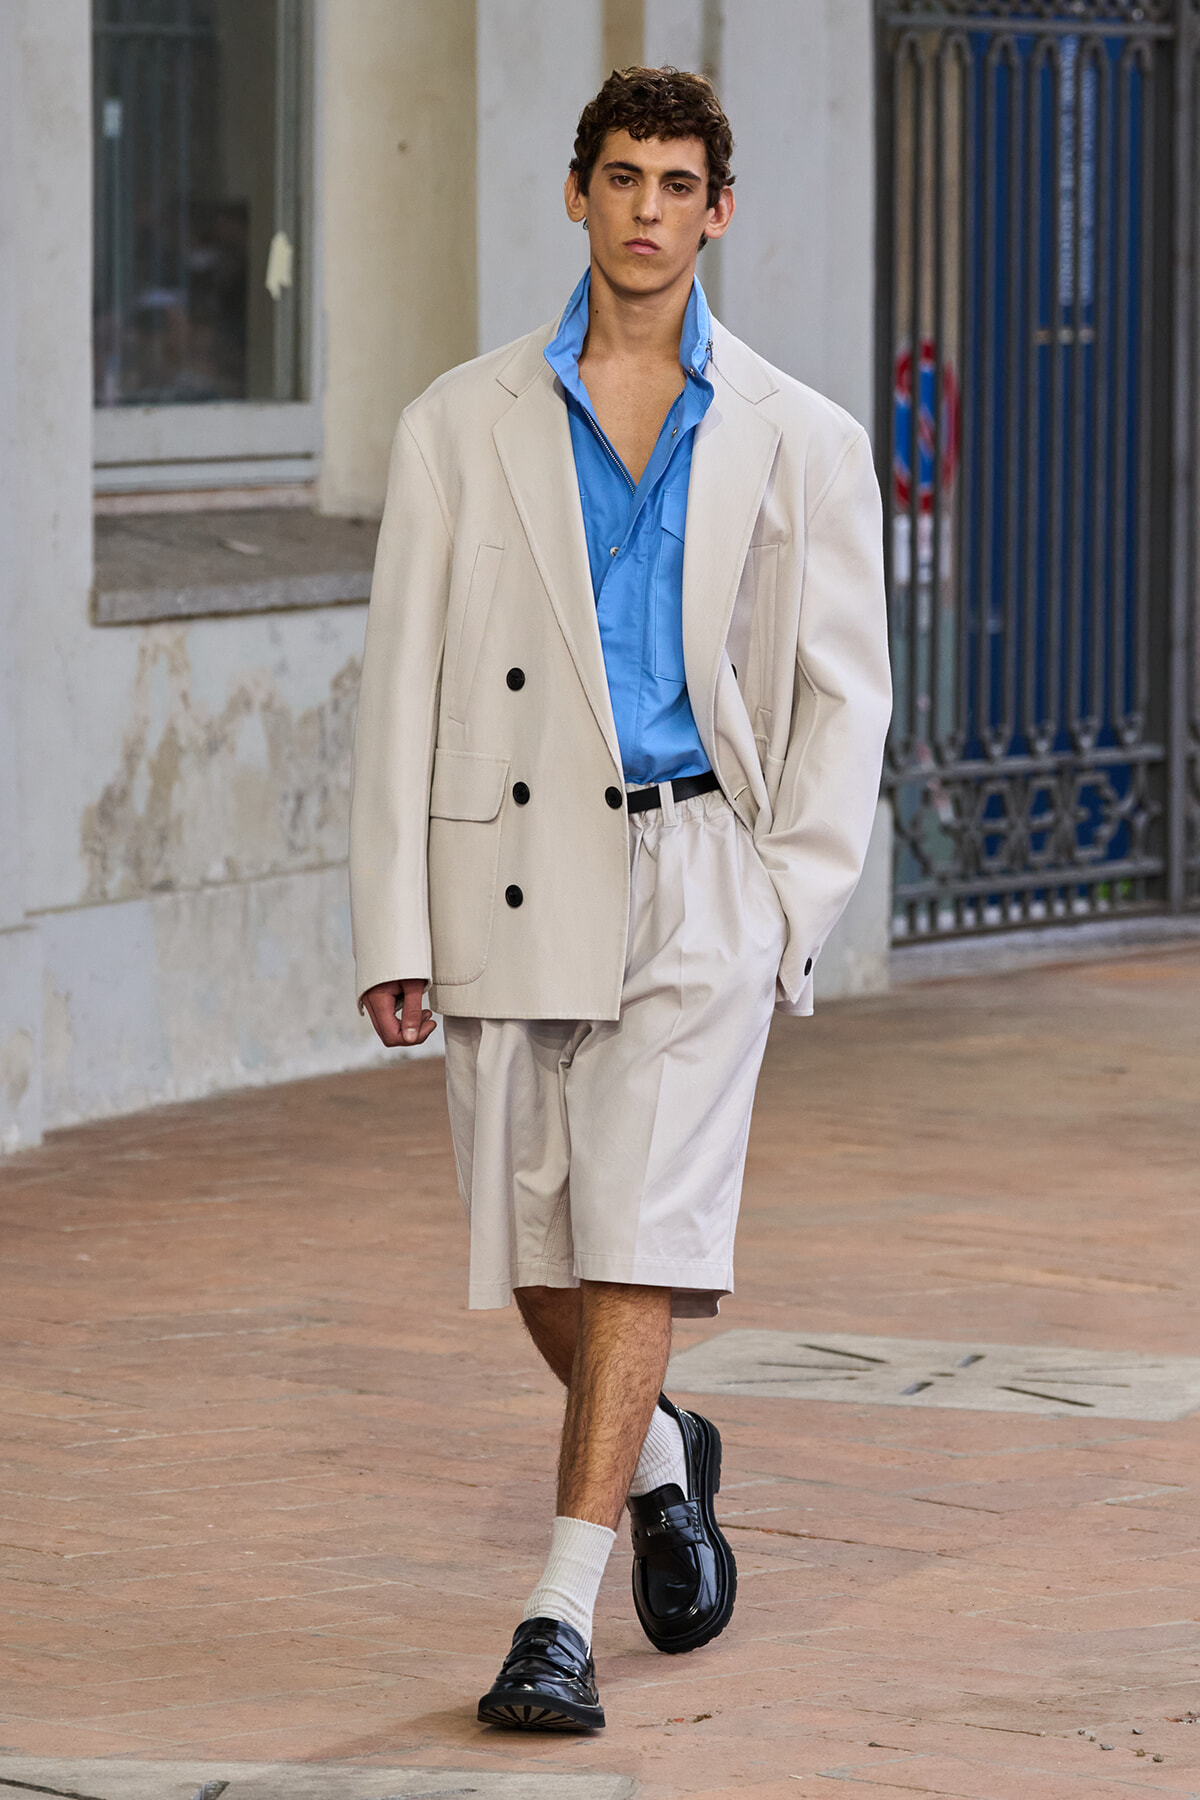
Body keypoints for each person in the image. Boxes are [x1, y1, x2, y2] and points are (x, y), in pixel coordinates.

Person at [348, 65, 891, 1732]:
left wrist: (786, 906)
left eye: (678, 184)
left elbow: (840, 696)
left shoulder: (802, 437)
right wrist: (393, 925)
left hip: (696, 876)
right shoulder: (459, 422)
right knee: (539, 1250)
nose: (648, 209)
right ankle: (660, 1451)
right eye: (622, 178)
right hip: (508, 874)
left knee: (636, 1232)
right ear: (574, 197)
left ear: (718, 212)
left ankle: (555, 1618)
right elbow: (400, 685)